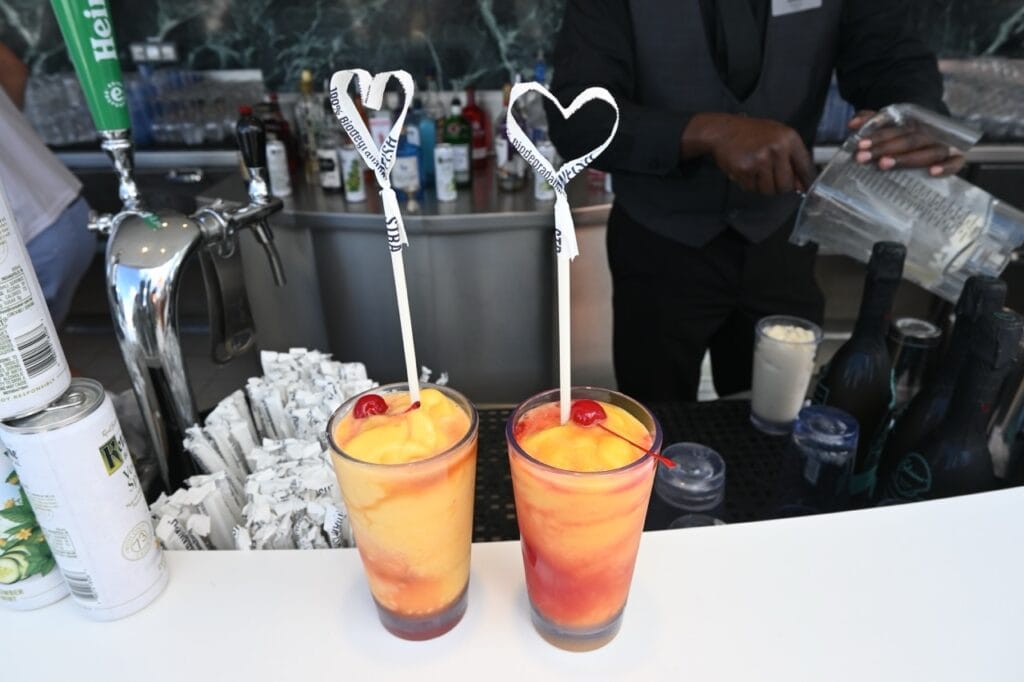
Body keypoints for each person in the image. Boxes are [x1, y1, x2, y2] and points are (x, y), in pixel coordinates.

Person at [547, 0, 959, 402]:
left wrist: (915, 115)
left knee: (778, 421)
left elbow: (889, 54)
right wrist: (707, 132)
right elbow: (575, 119)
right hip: (658, 247)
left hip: (781, 239)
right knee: (654, 423)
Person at [0, 42, 95, 327]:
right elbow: (13, 71)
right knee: (46, 358)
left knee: (30, 365)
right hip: (68, 210)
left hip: (22, 237)